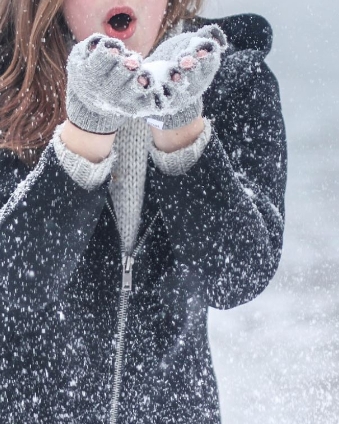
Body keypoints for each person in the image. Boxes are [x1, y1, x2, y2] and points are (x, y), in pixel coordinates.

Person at [0, 0, 287, 422]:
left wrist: (183, 129)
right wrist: (86, 133)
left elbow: (236, 277)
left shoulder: (234, 83)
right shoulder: (7, 86)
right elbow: (13, 286)